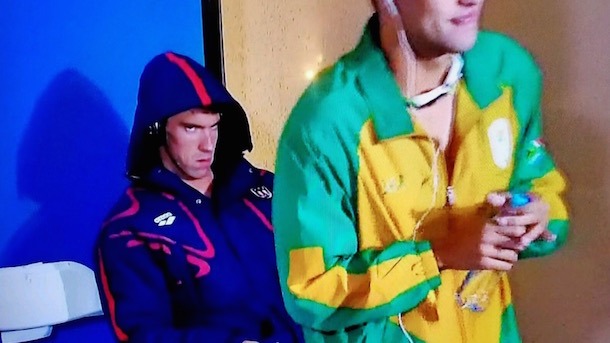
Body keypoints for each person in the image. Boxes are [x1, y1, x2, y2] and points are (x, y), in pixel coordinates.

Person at [273, 0, 569, 342]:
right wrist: (438, 254)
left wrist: (535, 215)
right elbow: (309, 291)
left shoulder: (508, 72)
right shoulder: (327, 122)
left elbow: (546, 194)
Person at [97, 52, 303, 343]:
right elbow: (144, 334)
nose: (208, 145)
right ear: (157, 130)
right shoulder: (130, 229)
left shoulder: (266, 190)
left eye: (214, 126)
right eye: (191, 128)